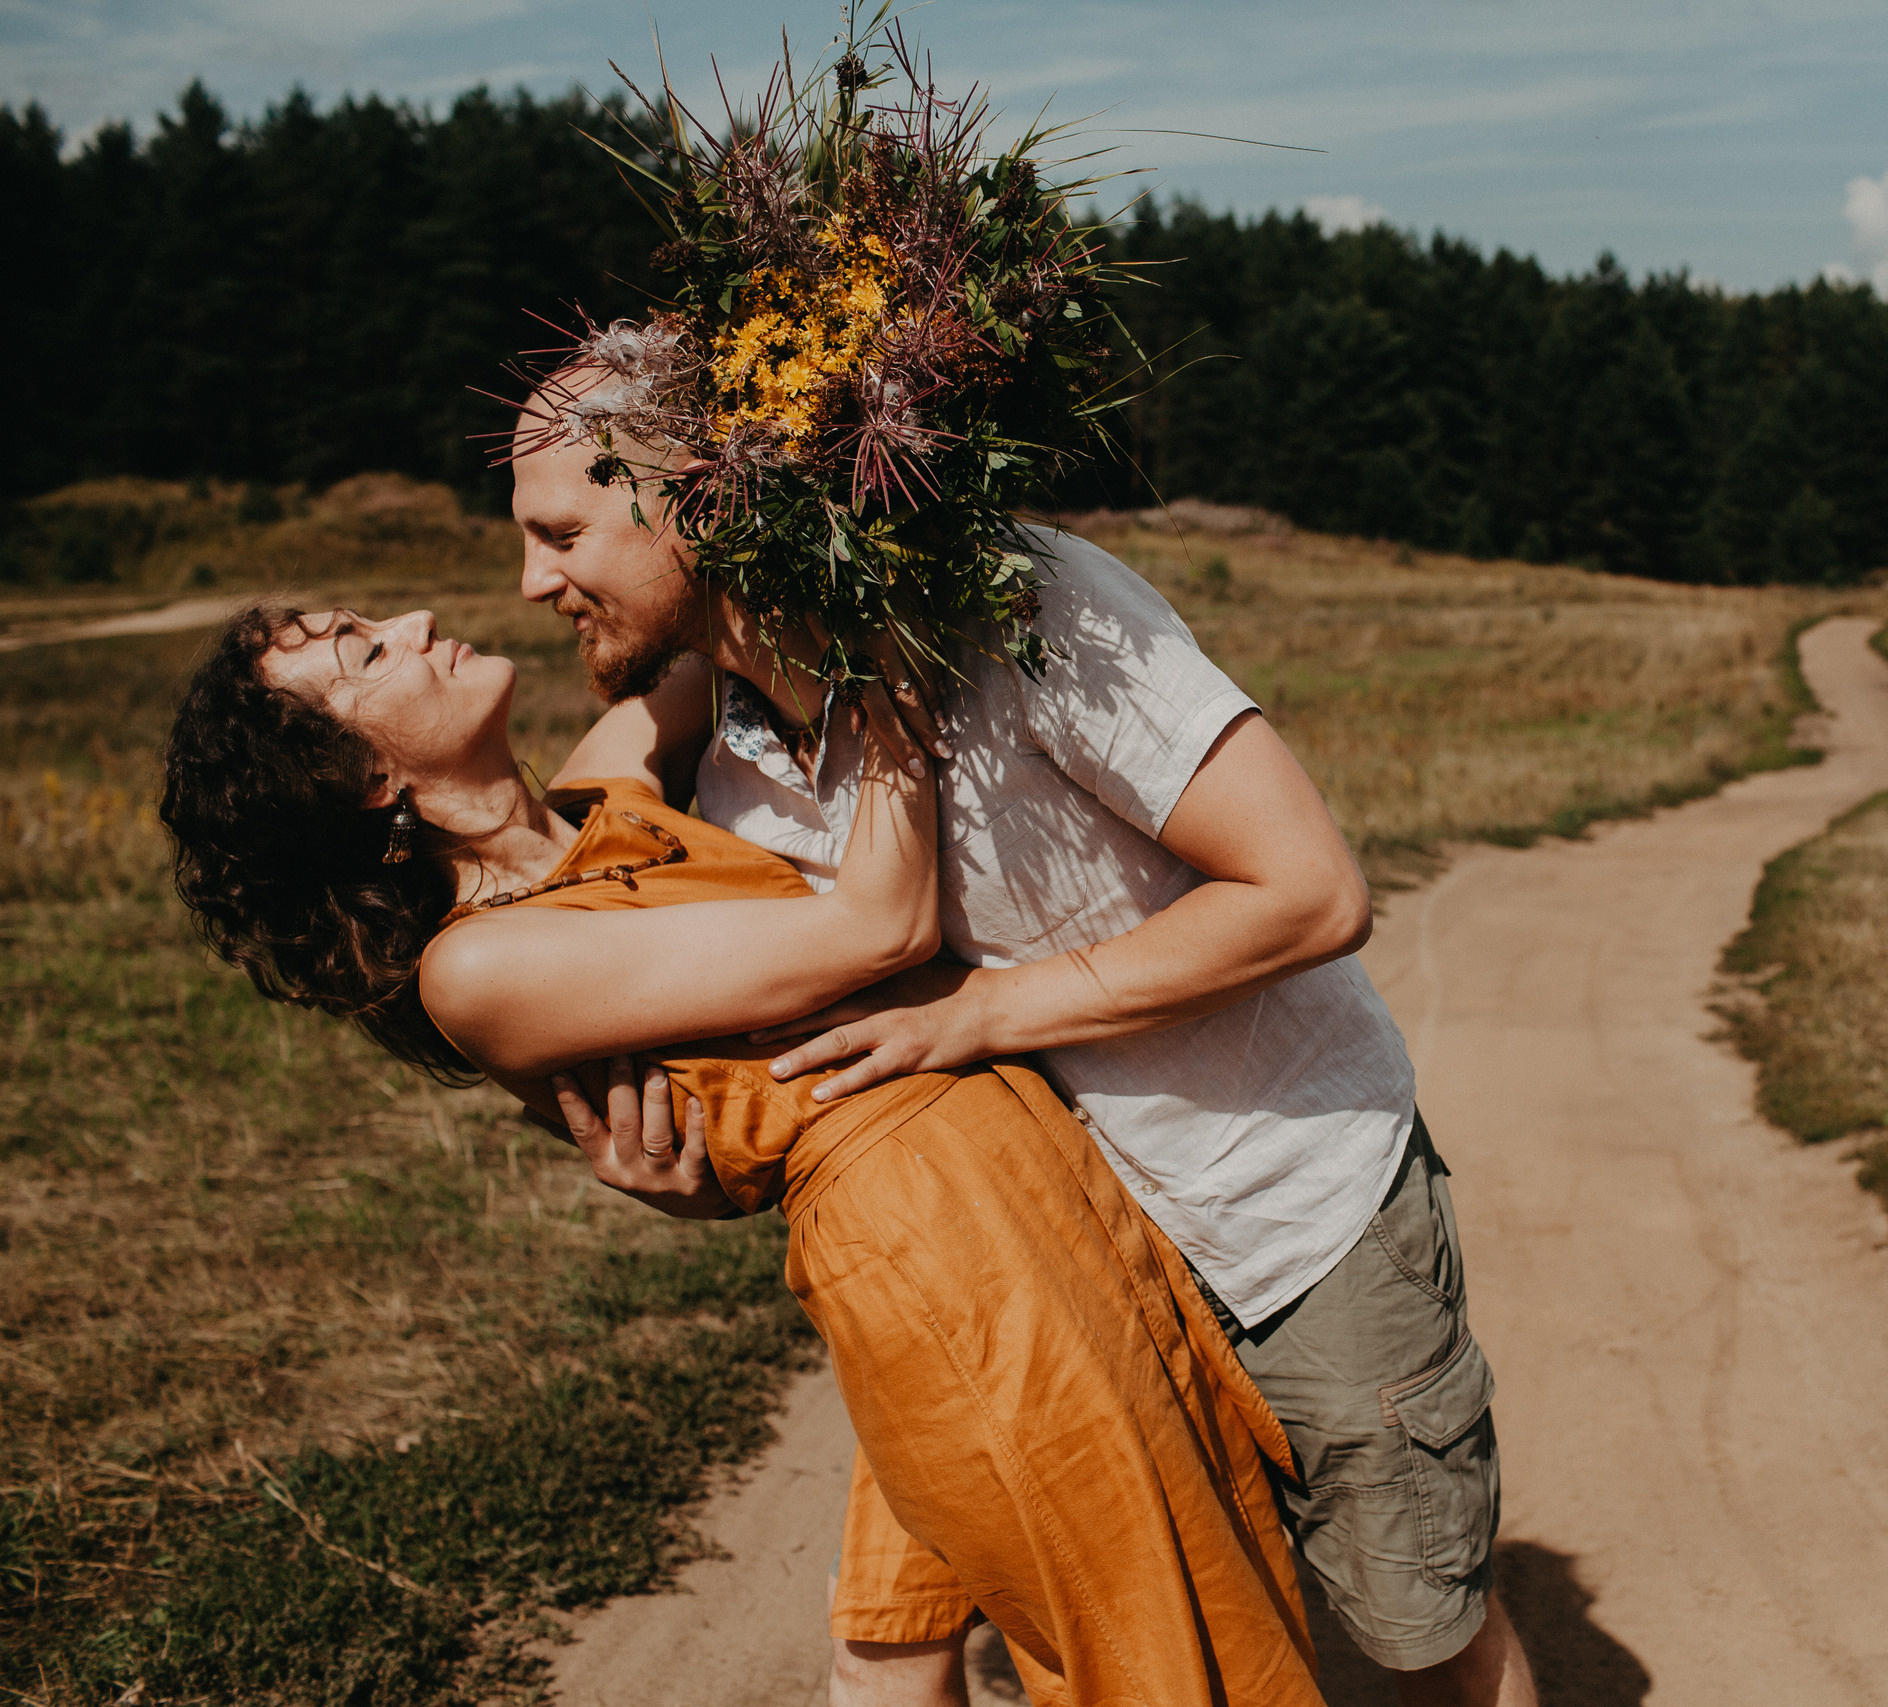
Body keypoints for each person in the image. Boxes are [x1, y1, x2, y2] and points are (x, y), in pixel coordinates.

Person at [514, 377, 1538, 1707]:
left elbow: (1310, 892)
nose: (532, 579)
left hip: (1282, 1208)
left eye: (558, 534)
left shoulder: (1029, 606)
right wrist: (698, 1169)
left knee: (1419, 1632)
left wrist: (989, 1009)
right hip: (1044, 1272)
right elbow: (799, 1055)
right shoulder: (713, 759)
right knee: (981, 1637)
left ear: (696, 506)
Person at [157, 600, 1325, 1707]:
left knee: (1054, 1611)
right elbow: (878, 926)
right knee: (1157, 1642)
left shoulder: (601, 796)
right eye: (365, 656)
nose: (411, 627)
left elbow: (693, 618)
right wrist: (883, 682)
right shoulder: (479, 967)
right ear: (362, 780)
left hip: (1014, 1196)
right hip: (949, 1259)